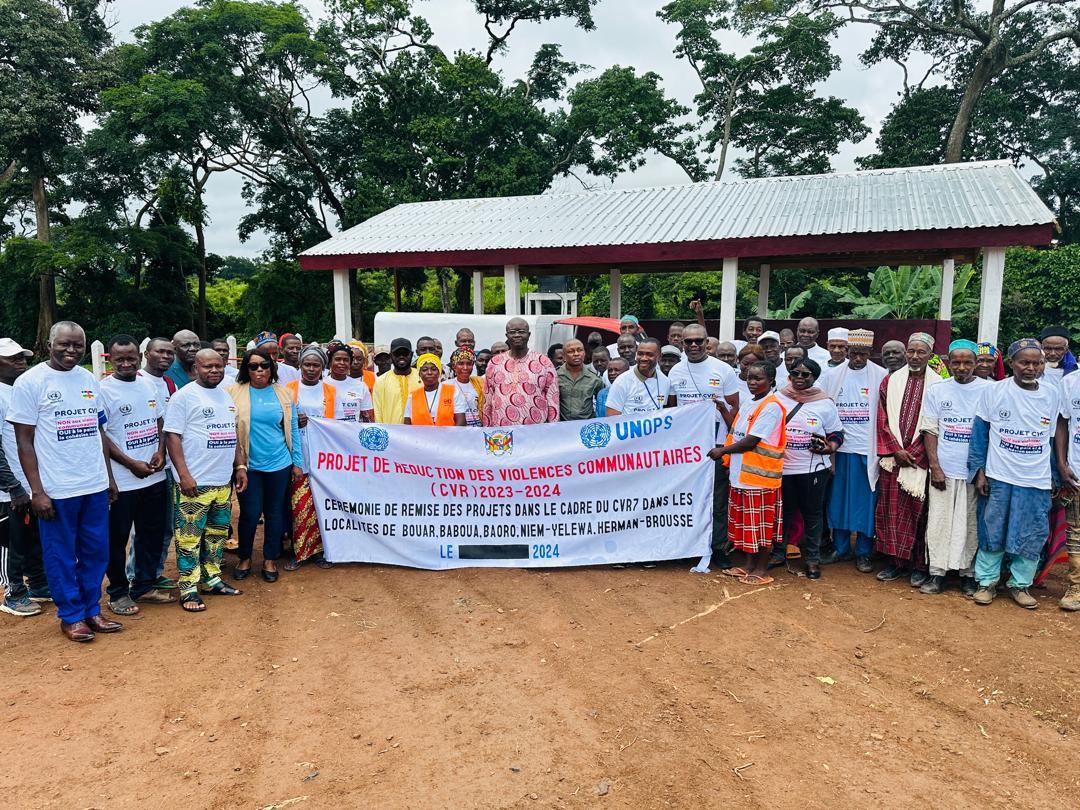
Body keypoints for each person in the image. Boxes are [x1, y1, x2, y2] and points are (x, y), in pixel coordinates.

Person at [9, 322, 120, 642]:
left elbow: (99, 431)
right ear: (49, 345)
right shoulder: (31, 382)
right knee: (61, 555)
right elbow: (24, 442)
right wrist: (37, 491)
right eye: (64, 344)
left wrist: (109, 478)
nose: (71, 350)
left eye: (78, 345)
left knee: (96, 552)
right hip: (57, 489)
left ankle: (92, 609)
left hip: (94, 485)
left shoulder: (89, 380)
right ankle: (71, 615)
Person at [970, 340, 1057, 609]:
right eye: (1024, 362)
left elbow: (1053, 439)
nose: (1031, 368)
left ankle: (1020, 585)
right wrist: (979, 472)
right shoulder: (994, 392)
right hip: (1000, 475)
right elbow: (979, 435)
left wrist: (1054, 475)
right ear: (1011, 363)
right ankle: (986, 582)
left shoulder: (1052, 394)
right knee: (993, 529)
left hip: (1036, 478)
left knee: (1032, 532)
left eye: (1037, 363)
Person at [164, 348, 247, 612]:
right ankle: (188, 588)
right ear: (195, 369)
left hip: (222, 482)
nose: (214, 370)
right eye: (207, 366)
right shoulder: (183, 397)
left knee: (216, 534)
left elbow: (232, 434)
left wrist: (239, 466)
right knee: (189, 538)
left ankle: (211, 579)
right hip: (194, 483)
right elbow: (172, 436)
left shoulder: (225, 395)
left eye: (218, 366)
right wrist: (183, 475)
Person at [99, 335, 172, 616]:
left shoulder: (148, 385)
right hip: (123, 480)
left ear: (139, 357)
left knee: (151, 534)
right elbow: (102, 437)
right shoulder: (103, 390)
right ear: (110, 359)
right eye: (120, 359)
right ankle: (118, 592)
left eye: (131, 358)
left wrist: (161, 452)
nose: (126, 364)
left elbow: (160, 421)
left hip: (154, 476)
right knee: (116, 540)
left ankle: (143, 585)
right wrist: (130, 463)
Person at [918, 340, 989, 596]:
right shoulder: (938, 389)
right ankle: (937, 573)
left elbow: (991, 433)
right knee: (939, 522)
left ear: (976, 363)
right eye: (956, 362)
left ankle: (967, 575)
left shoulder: (989, 390)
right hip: (945, 469)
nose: (961, 367)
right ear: (948, 362)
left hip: (973, 471)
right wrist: (935, 466)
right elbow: (930, 429)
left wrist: (982, 471)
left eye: (967, 362)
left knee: (970, 525)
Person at [667, 323, 740, 572]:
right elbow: (672, 411)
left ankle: (717, 547)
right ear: (682, 344)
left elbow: (735, 410)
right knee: (687, 498)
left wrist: (721, 416)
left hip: (716, 446)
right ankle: (687, 547)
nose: (694, 345)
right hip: (686, 449)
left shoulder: (723, 370)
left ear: (707, 342)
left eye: (699, 341)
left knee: (717, 499)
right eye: (689, 341)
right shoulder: (676, 371)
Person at [227, 347, 303, 583]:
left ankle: (270, 559)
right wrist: (237, 465)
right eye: (253, 366)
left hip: (280, 463)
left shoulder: (284, 394)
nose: (259, 370)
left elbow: (293, 430)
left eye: (264, 365)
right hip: (247, 466)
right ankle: (245, 557)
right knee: (249, 513)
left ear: (272, 368)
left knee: (274, 513)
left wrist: (297, 462)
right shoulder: (233, 392)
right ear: (246, 369)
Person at [709, 361, 786, 585]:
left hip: (760, 478)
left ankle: (762, 569)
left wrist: (722, 451)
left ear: (771, 381)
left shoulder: (771, 406)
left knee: (761, 526)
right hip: (741, 475)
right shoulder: (751, 403)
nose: (752, 382)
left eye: (758, 378)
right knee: (747, 524)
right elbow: (737, 430)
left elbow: (751, 441)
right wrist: (723, 410)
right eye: (750, 378)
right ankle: (749, 565)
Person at [874, 333, 941, 583]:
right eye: (911, 351)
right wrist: (895, 450)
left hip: (920, 461)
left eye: (920, 352)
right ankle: (895, 562)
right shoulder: (890, 381)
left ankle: (919, 566)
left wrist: (915, 453)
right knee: (891, 511)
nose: (914, 356)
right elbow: (881, 419)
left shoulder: (938, 384)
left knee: (920, 513)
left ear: (930, 355)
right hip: (893, 460)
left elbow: (936, 425)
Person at [820, 329, 887, 571]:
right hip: (840, 450)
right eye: (854, 353)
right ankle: (840, 548)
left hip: (867, 450)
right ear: (847, 351)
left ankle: (863, 552)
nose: (858, 358)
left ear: (871, 352)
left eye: (863, 354)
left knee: (865, 503)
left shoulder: (881, 375)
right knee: (838, 501)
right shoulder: (832, 375)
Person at [777, 357, 843, 579]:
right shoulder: (778, 397)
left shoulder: (824, 403)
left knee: (813, 514)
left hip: (813, 469)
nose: (799, 378)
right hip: (782, 468)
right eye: (795, 373)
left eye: (805, 375)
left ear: (814, 378)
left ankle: (812, 559)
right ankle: (778, 553)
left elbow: (836, 433)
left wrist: (830, 447)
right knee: (783, 513)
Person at [0, 338, 49, 617]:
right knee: (10, 542)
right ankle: (14, 593)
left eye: (22, 356)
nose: (20, 361)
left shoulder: (21, 390)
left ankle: (39, 585)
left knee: (32, 538)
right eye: (12, 357)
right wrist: (13, 486)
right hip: (9, 488)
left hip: (29, 482)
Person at [284, 345, 336, 570]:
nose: (311, 369)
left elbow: (339, 424)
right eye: (307, 364)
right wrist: (294, 421)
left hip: (325, 457)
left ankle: (322, 551)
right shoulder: (288, 389)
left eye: (316, 365)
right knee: (299, 506)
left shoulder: (331, 391)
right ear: (300, 365)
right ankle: (299, 552)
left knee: (322, 505)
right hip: (299, 456)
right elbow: (281, 420)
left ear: (323, 367)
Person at [136, 337, 179, 591]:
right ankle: (135, 576)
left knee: (164, 525)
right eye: (160, 352)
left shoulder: (170, 383)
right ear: (147, 354)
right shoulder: (137, 381)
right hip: (142, 467)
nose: (165, 356)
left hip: (167, 465)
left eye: (169, 353)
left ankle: (154, 572)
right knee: (142, 528)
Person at [483, 318, 560, 426]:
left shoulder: (544, 362)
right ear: (507, 335)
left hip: (535, 430)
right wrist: (487, 428)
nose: (517, 335)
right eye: (512, 332)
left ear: (529, 335)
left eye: (521, 331)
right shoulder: (494, 363)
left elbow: (553, 398)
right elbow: (488, 399)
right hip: (503, 432)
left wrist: (553, 428)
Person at [1054, 352, 1080, 611]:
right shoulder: (1070, 383)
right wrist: (1061, 464)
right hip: (1076, 472)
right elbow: (1062, 423)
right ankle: (1076, 587)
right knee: (1076, 531)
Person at [606, 338, 670, 416]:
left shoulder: (665, 381)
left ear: (659, 356)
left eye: (649, 355)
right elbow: (612, 417)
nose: (644, 358)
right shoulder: (621, 382)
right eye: (640, 354)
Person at [404, 354, 466, 426]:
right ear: (419, 374)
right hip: (419, 434)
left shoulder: (453, 392)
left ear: (439, 372)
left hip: (449, 434)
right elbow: (407, 426)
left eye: (433, 369)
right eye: (424, 370)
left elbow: (461, 423)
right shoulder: (412, 397)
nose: (429, 372)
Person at [373, 338, 422, 424]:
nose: (401, 356)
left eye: (405, 353)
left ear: (411, 355)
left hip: (419, 430)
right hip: (391, 431)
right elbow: (377, 412)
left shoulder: (421, 378)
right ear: (391, 356)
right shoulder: (381, 381)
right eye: (397, 353)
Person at [556, 339, 605, 422]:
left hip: (587, 425)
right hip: (562, 425)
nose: (576, 354)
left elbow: (601, 404)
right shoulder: (555, 376)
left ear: (584, 353)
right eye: (571, 351)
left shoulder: (594, 378)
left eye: (580, 350)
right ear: (564, 356)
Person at [326, 342, 375, 423]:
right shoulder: (322, 384)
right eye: (338, 359)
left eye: (346, 360)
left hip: (353, 430)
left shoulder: (361, 387)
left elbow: (367, 419)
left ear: (350, 363)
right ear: (330, 362)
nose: (342, 363)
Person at [448, 347, 484, 427]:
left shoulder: (480, 383)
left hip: (478, 430)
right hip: (456, 430)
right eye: (461, 363)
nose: (465, 368)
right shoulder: (447, 386)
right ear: (454, 366)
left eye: (469, 364)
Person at [734, 344, 766, 410]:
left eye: (754, 364)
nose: (749, 368)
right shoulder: (731, 380)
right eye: (745, 364)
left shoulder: (765, 384)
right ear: (738, 361)